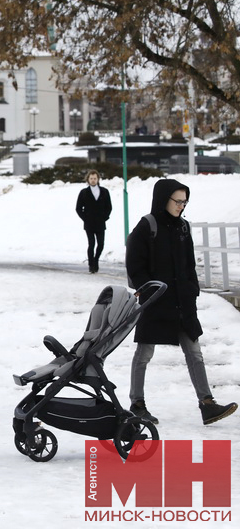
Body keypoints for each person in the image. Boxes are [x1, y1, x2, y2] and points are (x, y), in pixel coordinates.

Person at [126, 178, 237, 426]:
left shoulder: (183, 227)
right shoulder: (146, 226)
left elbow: (189, 265)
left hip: (182, 304)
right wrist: (149, 291)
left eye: (184, 201)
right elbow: (134, 264)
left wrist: (192, 290)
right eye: (177, 201)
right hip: (155, 303)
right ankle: (137, 404)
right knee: (144, 353)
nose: (181, 206)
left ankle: (207, 404)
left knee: (195, 353)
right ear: (163, 199)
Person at [75, 169, 112, 273]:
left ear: (98, 179)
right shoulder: (84, 193)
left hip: (100, 223)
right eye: (91, 178)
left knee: (101, 244)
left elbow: (109, 207)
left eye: (95, 178)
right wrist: (85, 218)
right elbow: (78, 208)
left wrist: (105, 217)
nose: (93, 180)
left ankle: (96, 260)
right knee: (91, 244)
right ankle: (91, 264)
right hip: (89, 223)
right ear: (88, 179)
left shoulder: (104, 191)